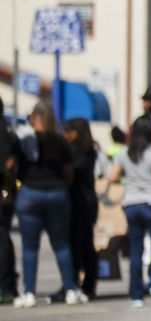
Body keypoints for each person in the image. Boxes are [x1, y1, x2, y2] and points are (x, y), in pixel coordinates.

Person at [12, 102, 85, 307]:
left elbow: (11, 164)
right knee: (61, 244)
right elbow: (69, 172)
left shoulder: (24, 139)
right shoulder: (60, 141)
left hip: (30, 192)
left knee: (29, 247)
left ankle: (28, 292)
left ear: (34, 116)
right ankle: (70, 288)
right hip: (56, 193)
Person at [106, 115, 151, 307]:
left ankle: (136, 293)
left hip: (131, 203)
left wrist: (129, 182)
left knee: (136, 250)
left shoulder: (124, 152)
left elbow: (112, 177)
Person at [62, 117, 100, 300]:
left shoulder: (83, 152)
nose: (66, 135)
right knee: (81, 244)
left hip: (82, 202)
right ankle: (80, 283)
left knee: (81, 245)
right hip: (83, 201)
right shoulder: (87, 150)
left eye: (70, 131)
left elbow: (72, 172)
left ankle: (82, 284)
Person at [0, 95, 17, 304]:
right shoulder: (8, 132)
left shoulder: (3, 133)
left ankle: (6, 285)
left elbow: (8, 165)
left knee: (2, 237)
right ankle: (8, 283)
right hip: (6, 192)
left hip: (3, 192)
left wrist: (4, 191)